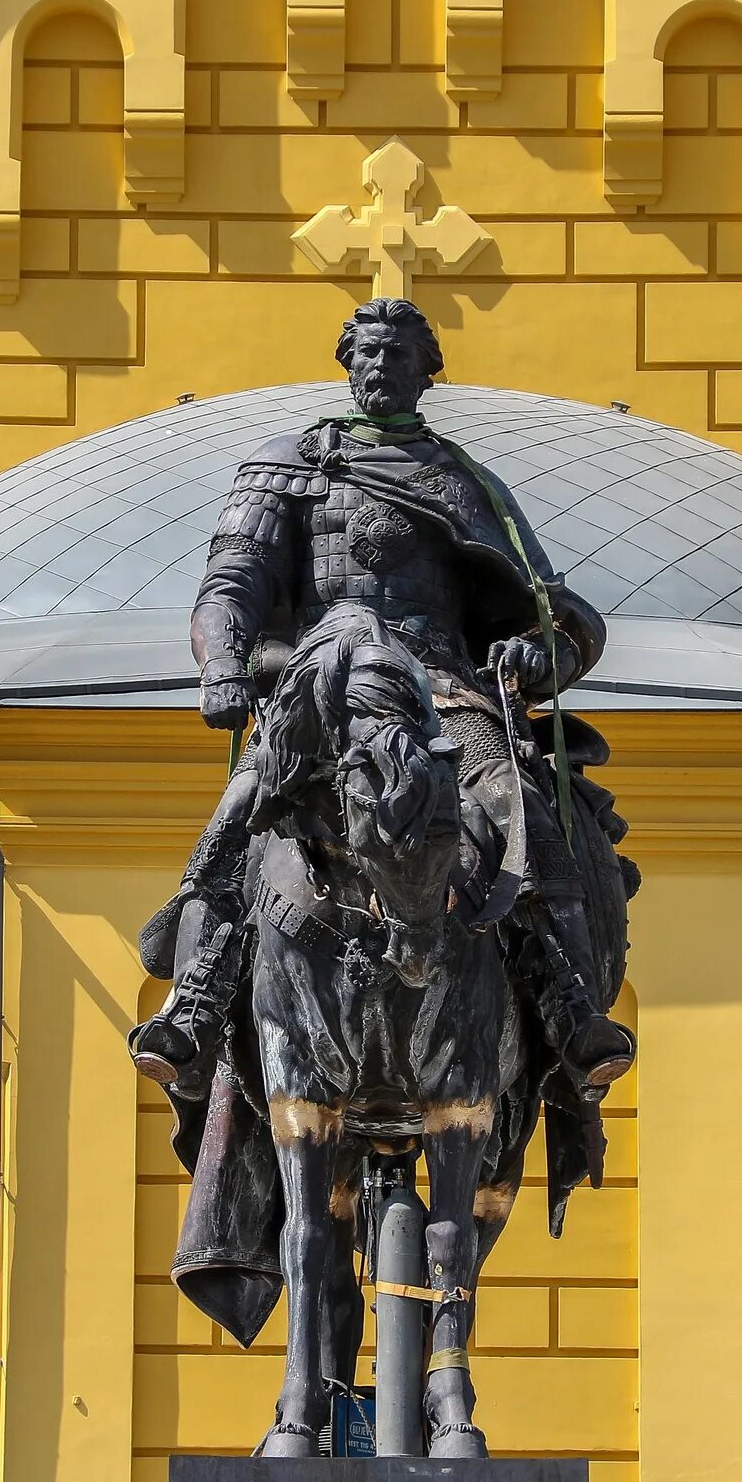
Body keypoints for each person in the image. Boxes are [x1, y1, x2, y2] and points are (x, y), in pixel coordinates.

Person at [129, 298, 635, 1098]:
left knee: (520, 811)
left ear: (427, 373)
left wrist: (532, 653)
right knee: (241, 811)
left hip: (445, 695)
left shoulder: (466, 483)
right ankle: (194, 998)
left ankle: (568, 1003)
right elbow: (231, 583)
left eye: (399, 355)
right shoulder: (287, 465)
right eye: (367, 352)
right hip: (318, 692)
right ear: (347, 362)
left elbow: (550, 611)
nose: (380, 367)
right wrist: (223, 660)